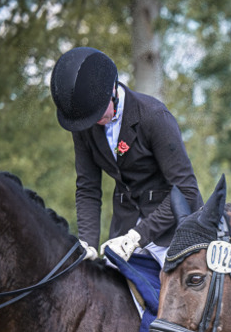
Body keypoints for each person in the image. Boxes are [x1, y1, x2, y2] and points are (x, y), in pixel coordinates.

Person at [50, 46, 202, 265]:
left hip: (173, 229)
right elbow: (88, 187)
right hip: (123, 230)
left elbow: (186, 189)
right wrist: (87, 243)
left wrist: (137, 236)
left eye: (99, 115)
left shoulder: (154, 117)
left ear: (113, 90)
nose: (93, 124)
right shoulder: (85, 123)